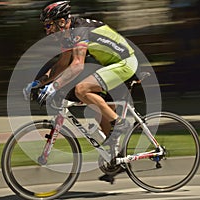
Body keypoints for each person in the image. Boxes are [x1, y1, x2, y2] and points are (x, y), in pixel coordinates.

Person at [23, 0, 138, 182]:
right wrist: (38, 82)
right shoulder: (68, 35)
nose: (47, 30)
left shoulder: (79, 30)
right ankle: (117, 160)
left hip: (124, 62)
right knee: (96, 111)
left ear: (61, 21)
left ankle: (120, 123)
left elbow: (77, 65)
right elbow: (62, 64)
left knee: (82, 89)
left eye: (48, 25)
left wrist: (53, 87)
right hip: (110, 65)